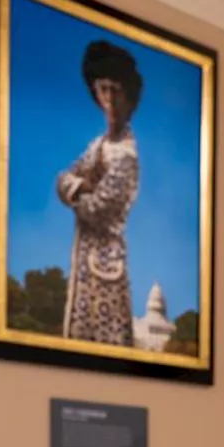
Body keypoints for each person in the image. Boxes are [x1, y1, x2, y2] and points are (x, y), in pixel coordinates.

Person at [56, 39, 142, 347]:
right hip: (84, 267)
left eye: (116, 90)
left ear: (129, 97)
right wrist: (81, 186)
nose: (110, 99)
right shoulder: (97, 146)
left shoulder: (126, 156)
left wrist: (78, 191)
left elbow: (99, 209)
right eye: (103, 89)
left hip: (107, 267)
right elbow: (62, 179)